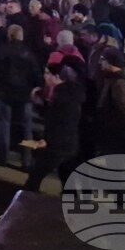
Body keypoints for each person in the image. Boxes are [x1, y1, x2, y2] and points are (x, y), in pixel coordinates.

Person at [24, 57, 85, 191]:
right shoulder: (70, 93)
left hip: (58, 146)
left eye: (47, 73)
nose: (45, 77)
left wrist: (47, 141)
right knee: (68, 180)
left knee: (35, 175)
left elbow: (59, 122)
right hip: (69, 145)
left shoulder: (62, 96)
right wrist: (42, 104)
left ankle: (23, 207)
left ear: (57, 76)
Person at [0, 24, 42, 168]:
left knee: (4, 124)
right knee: (27, 127)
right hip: (25, 94)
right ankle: (27, 160)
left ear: (9, 35)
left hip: (5, 92)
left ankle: (3, 157)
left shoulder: (1, 51)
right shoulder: (29, 52)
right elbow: (36, 73)